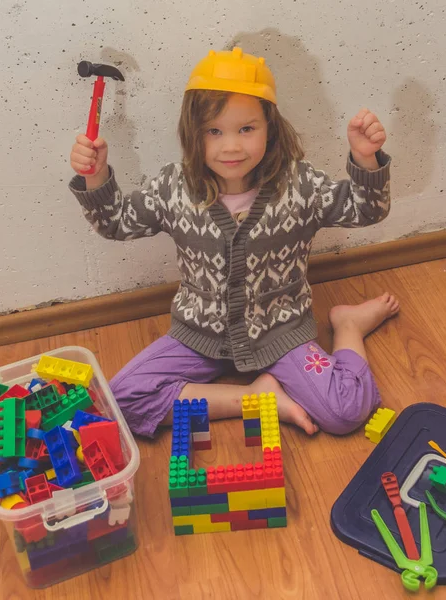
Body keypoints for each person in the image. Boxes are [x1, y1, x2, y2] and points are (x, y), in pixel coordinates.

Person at [69, 47, 398, 439]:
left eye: (246, 129)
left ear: (270, 127)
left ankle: (348, 327)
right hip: (199, 334)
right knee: (120, 398)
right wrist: (97, 176)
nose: (231, 147)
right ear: (193, 133)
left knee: (346, 410)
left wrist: (366, 161)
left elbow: (365, 211)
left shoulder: (300, 185)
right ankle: (257, 397)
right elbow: (115, 222)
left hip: (281, 332)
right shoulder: (174, 187)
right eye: (214, 131)